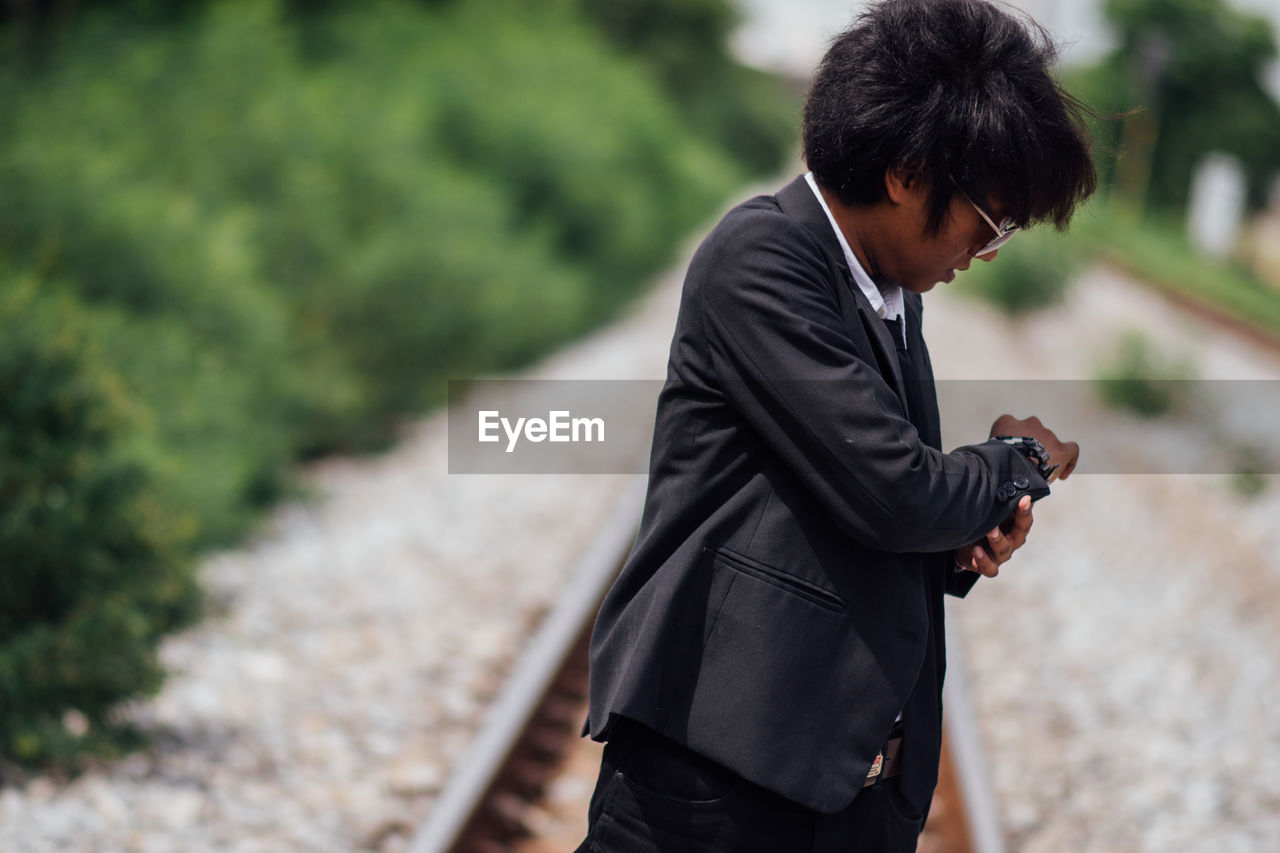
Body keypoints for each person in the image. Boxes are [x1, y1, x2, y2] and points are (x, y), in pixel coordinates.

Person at [575, 0, 1096, 849]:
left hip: (833, 790)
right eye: (989, 219)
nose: (988, 248)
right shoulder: (763, 258)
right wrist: (1018, 457)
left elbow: (843, 499)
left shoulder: (891, 296)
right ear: (908, 171)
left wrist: (956, 541)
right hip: (713, 788)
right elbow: (893, 486)